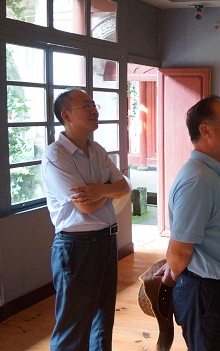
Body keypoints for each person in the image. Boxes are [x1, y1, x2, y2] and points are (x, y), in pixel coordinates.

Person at [156, 95, 220, 351]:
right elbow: (180, 250)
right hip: (207, 293)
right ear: (206, 131)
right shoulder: (198, 179)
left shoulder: (214, 171)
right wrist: (173, 273)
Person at [41, 88, 130, 350]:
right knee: (73, 327)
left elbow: (123, 187)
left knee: (103, 320)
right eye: (86, 105)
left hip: (106, 241)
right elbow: (86, 206)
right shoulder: (56, 155)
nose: (94, 110)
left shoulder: (97, 149)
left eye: (94, 104)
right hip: (76, 246)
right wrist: (108, 189)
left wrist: (99, 190)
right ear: (66, 115)